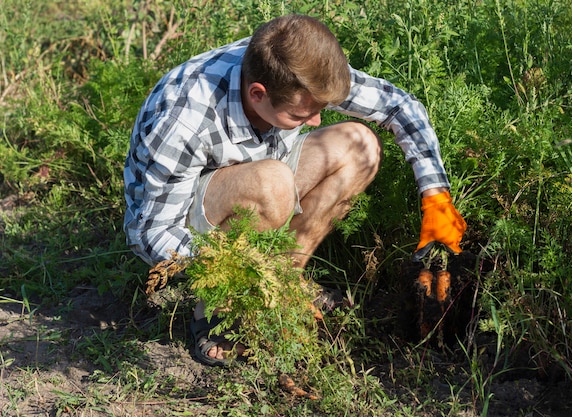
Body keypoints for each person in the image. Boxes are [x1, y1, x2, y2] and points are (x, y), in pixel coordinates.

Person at [124, 14, 466, 366]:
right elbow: (149, 232)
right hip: (191, 215)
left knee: (359, 145)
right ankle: (218, 310)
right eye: (303, 116)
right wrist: (232, 272)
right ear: (258, 94)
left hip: (266, 175)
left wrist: (436, 195)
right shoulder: (183, 118)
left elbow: (400, 106)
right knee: (270, 184)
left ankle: (285, 282)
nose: (316, 121)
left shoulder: (292, 69)